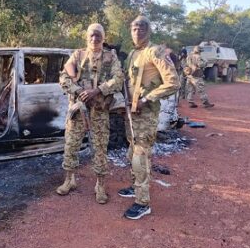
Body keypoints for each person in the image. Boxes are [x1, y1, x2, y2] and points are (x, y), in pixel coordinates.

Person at [118, 16, 180, 220]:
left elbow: (173, 82)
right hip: (131, 113)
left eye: (142, 27)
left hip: (146, 113)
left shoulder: (155, 51)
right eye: (134, 27)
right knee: (131, 153)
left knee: (140, 156)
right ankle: (136, 187)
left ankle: (142, 202)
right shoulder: (133, 54)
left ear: (149, 30)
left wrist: (147, 98)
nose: (138, 30)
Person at [57, 23, 124, 204]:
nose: (94, 39)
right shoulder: (78, 55)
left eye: (98, 35)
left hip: (100, 111)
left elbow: (119, 79)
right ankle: (69, 180)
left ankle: (100, 185)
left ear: (103, 37)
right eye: (92, 35)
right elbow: (63, 77)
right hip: (78, 110)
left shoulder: (110, 57)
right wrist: (78, 90)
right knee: (71, 145)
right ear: (87, 37)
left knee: (100, 149)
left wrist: (98, 90)